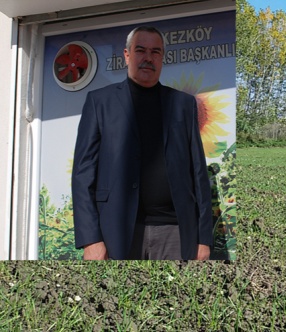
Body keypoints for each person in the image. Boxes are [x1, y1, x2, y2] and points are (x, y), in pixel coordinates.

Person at [72, 26, 212, 260]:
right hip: (117, 232)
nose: (148, 58)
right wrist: (90, 240)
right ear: (127, 55)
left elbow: (199, 174)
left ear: (162, 57)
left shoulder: (183, 105)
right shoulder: (100, 102)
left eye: (155, 52)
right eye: (140, 50)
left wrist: (204, 240)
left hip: (175, 233)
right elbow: (83, 174)